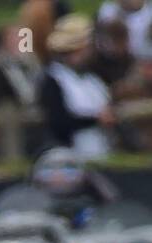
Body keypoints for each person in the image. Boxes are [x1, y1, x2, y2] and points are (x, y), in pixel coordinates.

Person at [38, 14, 116, 157]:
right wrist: (95, 120)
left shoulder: (93, 78)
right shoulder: (54, 79)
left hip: (102, 150)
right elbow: (59, 122)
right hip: (72, 154)